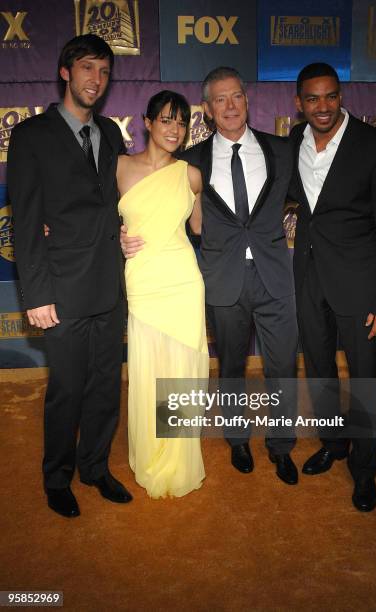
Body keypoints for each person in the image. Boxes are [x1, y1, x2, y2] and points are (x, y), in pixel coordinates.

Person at [122, 67, 299, 485]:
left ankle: (281, 446)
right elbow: (145, 203)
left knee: (283, 367)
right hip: (221, 279)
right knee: (232, 366)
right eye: (220, 99)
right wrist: (118, 234)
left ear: (247, 100)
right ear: (207, 109)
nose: (230, 106)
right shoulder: (189, 161)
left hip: (275, 277)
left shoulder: (281, 150)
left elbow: (316, 201)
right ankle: (237, 439)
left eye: (236, 96)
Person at [7, 34, 132, 518]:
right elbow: (24, 220)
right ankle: (56, 477)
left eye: (103, 72)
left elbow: (114, 207)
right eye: (86, 69)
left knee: (105, 384)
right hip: (59, 289)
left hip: (109, 285)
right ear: (65, 72)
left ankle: (95, 467)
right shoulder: (31, 136)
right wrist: (36, 294)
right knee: (67, 387)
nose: (95, 80)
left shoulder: (112, 135)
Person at [289, 62, 376, 511]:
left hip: (362, 288)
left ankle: (365, 470)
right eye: (313, 98)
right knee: (319, 372)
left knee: (366, 382)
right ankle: (334, 445)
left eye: (331, 96)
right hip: (309, 280)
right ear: (298, 103)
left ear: (342, 96)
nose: (323, 107)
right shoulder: (291, 146)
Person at [116, 90, 208, 498]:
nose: (175, 129)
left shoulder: (190, 174)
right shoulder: (118, 168)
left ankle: (176, 457)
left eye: (182, 121)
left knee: (178, 372)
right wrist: (114, 238)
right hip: (143, 281)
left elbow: (200, 231)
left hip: (182, 281)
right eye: (167, 120)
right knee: (148, 370)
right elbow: (98, 217)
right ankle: (152, 453)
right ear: (147, 123)